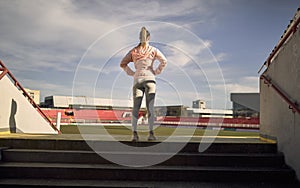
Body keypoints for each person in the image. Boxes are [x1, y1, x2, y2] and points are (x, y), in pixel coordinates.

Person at [120, 27, 167, 142]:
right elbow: (164, 61)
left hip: (137, 79)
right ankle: (151, 134)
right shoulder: (153, 50)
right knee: (150, 108)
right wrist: (156, 72)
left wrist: (132, 73)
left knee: (135, 108)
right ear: (149, 38)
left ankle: (134, 135)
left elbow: (122, 64)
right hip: (150, 78)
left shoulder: (133, 51)